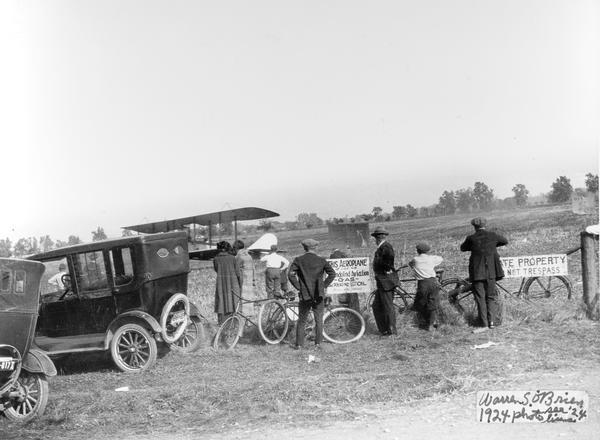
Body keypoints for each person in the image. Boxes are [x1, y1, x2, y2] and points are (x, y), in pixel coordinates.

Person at [460, 217, 508, 332]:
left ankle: (484, 324)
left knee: (480, 298)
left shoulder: (471, 238)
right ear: (485, 225)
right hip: (491, 272)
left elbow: (463, 248)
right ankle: (492, 322)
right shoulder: (493, 235)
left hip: (477, 273)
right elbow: (505, 241)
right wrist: (493, 245)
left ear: (474, 226)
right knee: (491, 297)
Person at [288, 238, 336, 349]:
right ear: (315, 247)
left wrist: (299, 287)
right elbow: (332, 274)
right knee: (319, 319)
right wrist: (323, 286)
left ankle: (299, 345)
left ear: (304, 248)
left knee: (302, 320)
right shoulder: (321, 260)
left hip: (304, 295)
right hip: (318, 294)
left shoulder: (298, 260)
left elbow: (291, 275)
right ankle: (318, 344)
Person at [408, 243, 443, 331]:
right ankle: (431, 324)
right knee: (432, 302)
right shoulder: (431, 258)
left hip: (423, 283)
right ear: (427, 251)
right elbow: (440, 259)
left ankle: (422, 321)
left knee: (421, 302)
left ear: (418, 251)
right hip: (432, 281)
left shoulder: (415, 259)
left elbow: (410, 264)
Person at [371, 226, 398, 336]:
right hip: (382, 282)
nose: (375, 240)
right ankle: (384, 330)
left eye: (377, 238)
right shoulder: (382, 247)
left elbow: (389, 259)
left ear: (378, 238)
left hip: (386, 281)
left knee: (387, 306)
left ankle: (391, 331)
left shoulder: (386, 247)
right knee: (376, 306)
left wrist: (386, 269)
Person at [213, 241, 242, 324]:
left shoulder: (216, 259)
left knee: (222, 300)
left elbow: (216, 269)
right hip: (233, 282)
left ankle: (222, 323)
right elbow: (237, 272)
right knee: (233, 300)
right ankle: (234, 322)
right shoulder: (232, 258)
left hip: (221, 282)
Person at [233, 240, 258, 317]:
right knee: (249, 298)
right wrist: (254, 280)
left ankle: (244, 316)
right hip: (250, 280)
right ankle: (250, 315)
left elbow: (236, 271)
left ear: (236, 248)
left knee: (243, 299)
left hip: (243, 280)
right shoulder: (249, 256)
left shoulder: (238, 257)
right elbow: (254, 268)